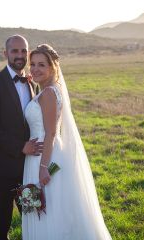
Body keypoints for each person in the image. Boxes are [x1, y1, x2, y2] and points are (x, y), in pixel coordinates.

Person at [22, 44, 112, 240]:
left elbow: (51, 132)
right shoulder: (50, 89)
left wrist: (43, 167)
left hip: (44, 155)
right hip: (45, 152)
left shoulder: (47, 94)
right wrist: (34, 82)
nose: (35, 69)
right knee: (54, 208)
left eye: (41, 65)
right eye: (33, 64)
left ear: (53, 67)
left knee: (49, 209)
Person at [0, 35, 42, 240]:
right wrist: (20, 146)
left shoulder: (33, 84)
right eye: (15, 51)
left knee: (32, 217)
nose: (20, 55)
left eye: (24, 51)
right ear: (5, 53)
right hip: (0, 168)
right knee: (1, 224)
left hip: (27, 168)